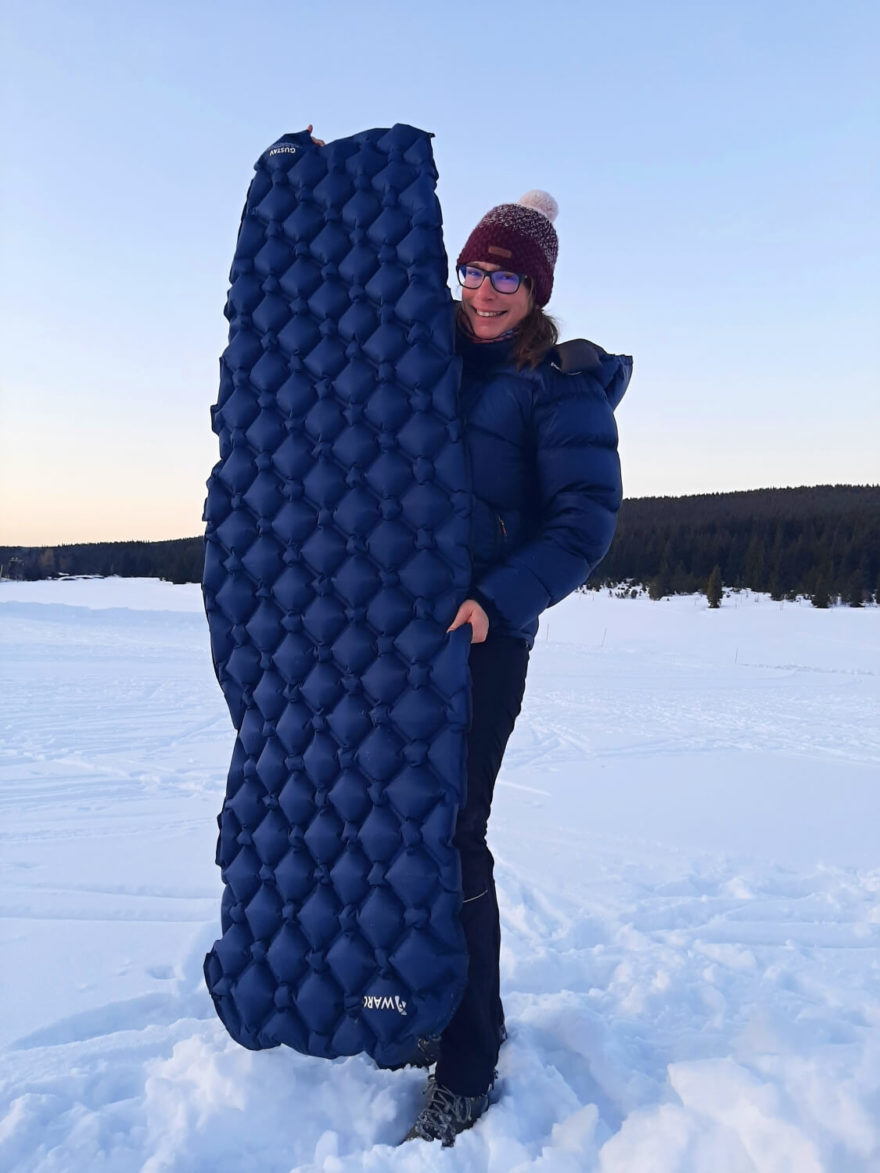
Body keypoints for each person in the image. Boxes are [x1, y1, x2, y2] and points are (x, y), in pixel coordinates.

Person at [404, 191, 630, 1146]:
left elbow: (583, 524)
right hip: (399, 632)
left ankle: (469, 1054)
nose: (483, 292)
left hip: (485, 642)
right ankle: (415, 997)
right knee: (393, 826)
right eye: (473, 270)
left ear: (536, 289)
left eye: (506, 276)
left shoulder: (560, 387)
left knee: (455, 833)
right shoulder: (424, 355)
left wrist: (496, 603)